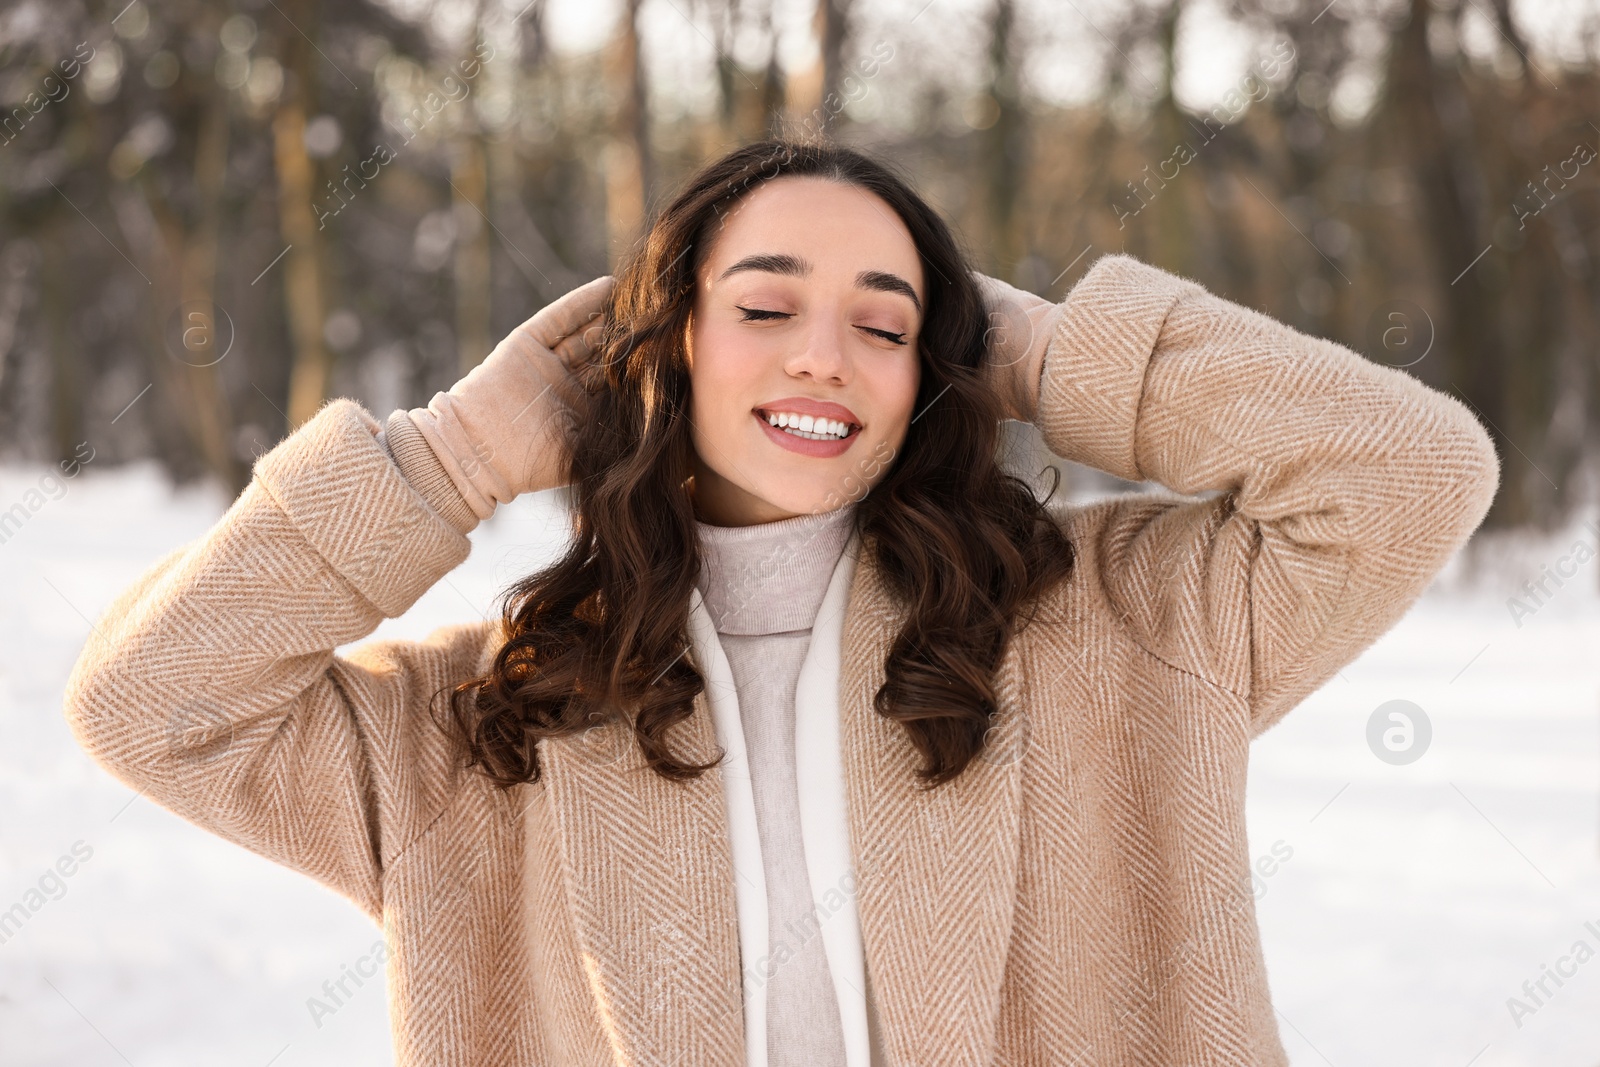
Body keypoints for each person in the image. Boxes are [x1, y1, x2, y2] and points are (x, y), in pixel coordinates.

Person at [63, 138, 1500, 1067]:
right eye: (764, 307)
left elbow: (1409, 471)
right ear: (668, 344)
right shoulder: (491, 716)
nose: (825, 356)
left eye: (884, 323)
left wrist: (1052, 355)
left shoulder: (1120, 622)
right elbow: (150, 707)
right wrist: (454, 454)